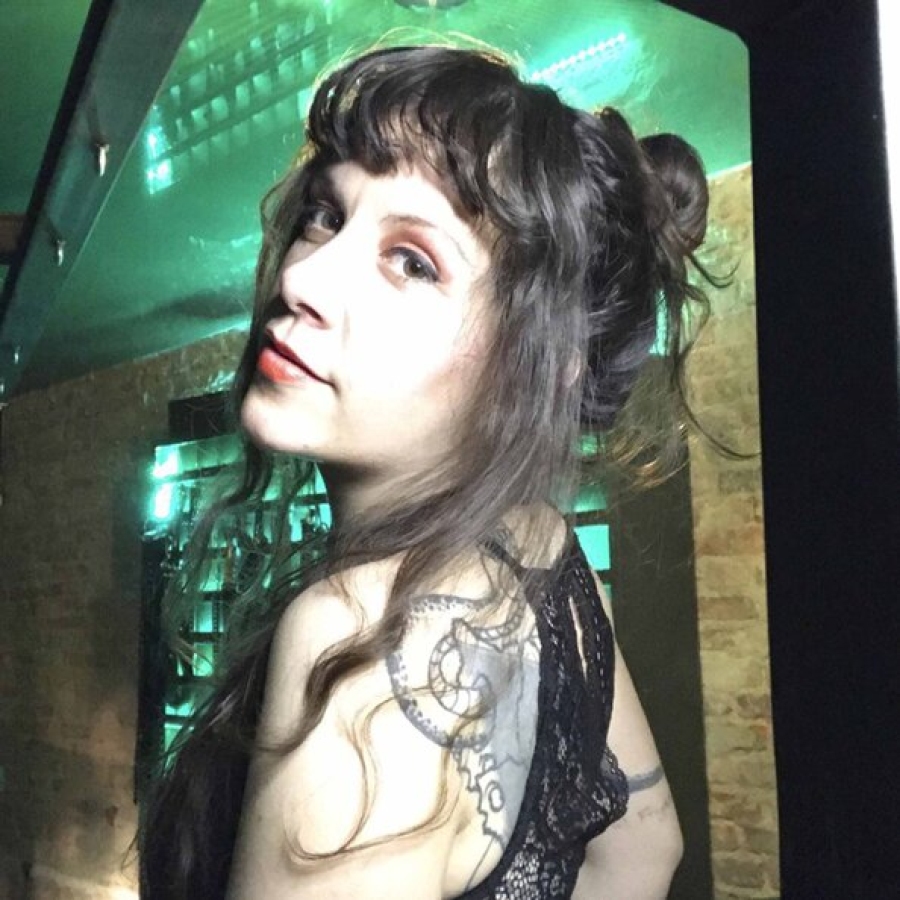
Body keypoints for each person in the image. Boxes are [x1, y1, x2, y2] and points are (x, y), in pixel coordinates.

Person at [137, 42, 723, 900]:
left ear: (533, 366)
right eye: (326, 214)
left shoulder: (357, 649)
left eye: (413, 260)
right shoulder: (542, 548)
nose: (303, 276)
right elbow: (646, 848)